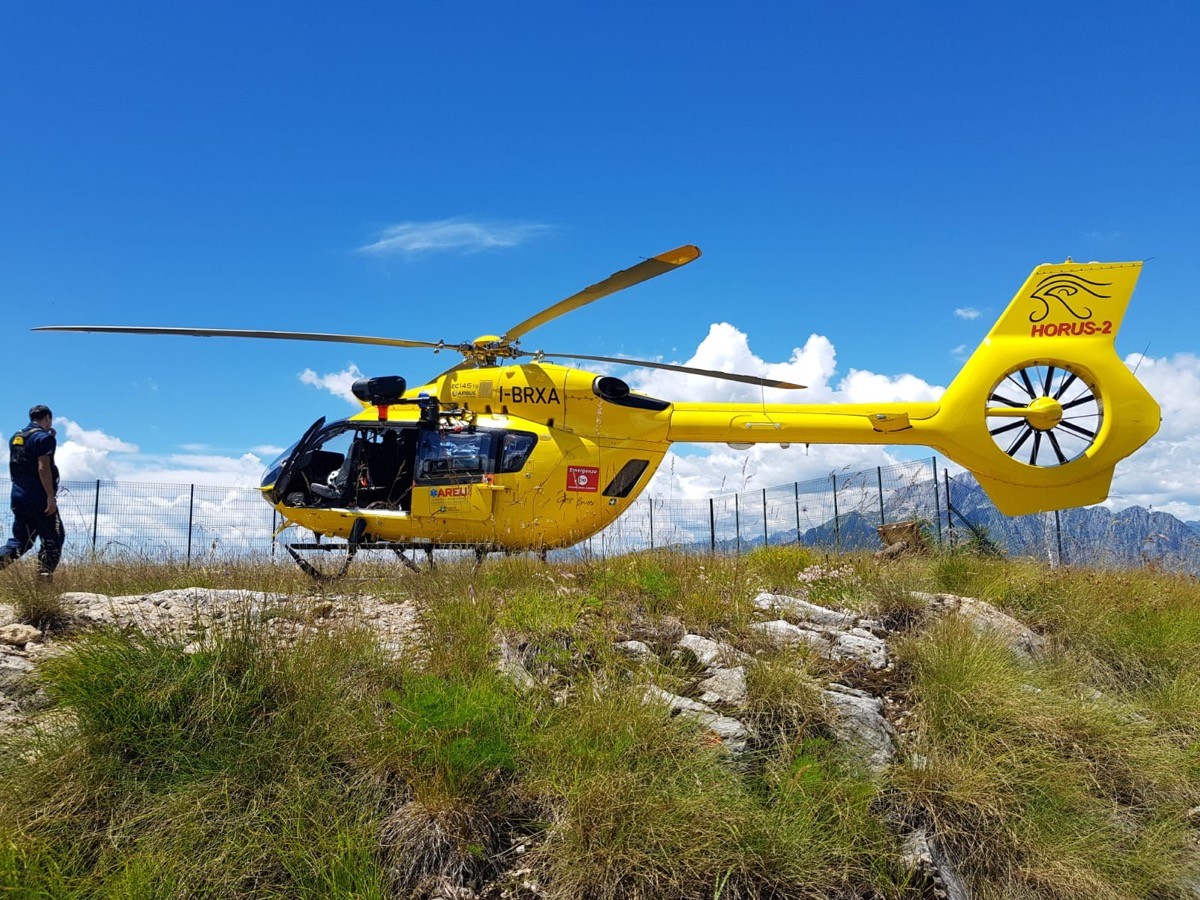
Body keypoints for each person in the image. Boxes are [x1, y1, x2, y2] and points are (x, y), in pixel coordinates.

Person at [1, 405, 64, 576]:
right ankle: (43, 583)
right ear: (47, 418)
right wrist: (50, 497)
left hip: (19, 495)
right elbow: (43, 467)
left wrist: (49, 435)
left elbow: (28, 453)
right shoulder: (44, 439)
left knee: (20, 542)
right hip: (39, 497)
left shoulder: (17, 437)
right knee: (54, 539)